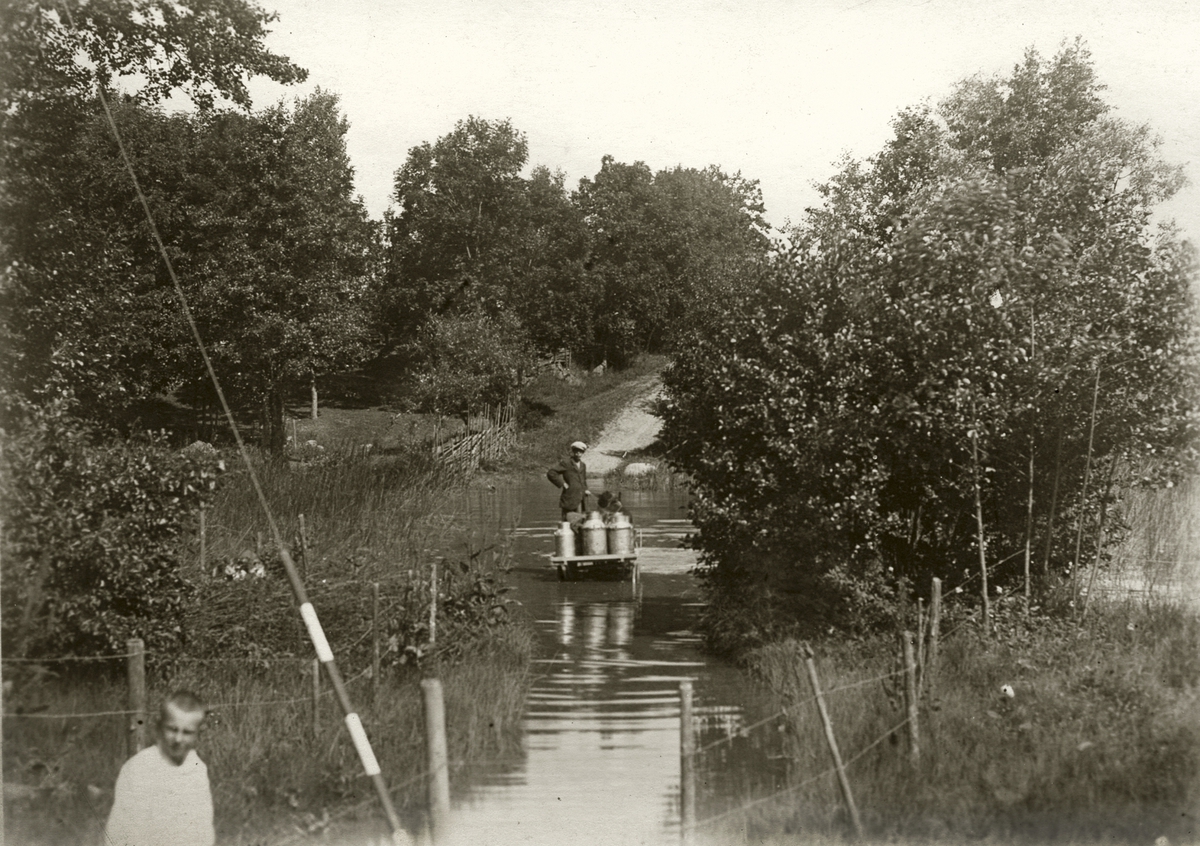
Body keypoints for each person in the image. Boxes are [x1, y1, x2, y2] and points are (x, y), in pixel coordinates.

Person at [105, 690, 215, 846]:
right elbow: (120, 833)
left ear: (198, 734)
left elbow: (203, 832)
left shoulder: (197, 769)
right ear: (159, 726)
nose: (178, 739)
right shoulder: (139, 768)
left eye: (187, 732)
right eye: (172, 729)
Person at [547, 440, 591, 521]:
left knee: (581, 520)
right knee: (567, 520)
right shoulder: (566, 463)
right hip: (570, 497)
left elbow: (583, 480)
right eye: (576, 451)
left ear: (583, 452)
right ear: (573, 452)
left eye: (581, 451)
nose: (578, 453)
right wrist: (562, 483)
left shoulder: (583, 465)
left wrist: (586, 489)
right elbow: (551, 473)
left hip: (581, 498)